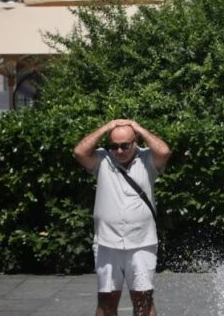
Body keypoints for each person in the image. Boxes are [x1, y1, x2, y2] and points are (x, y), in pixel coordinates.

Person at [74, 119, 171, 316]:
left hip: (142, 242)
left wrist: (138, 128)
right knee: (106, 302)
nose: (119, 151)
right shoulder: (102, 159)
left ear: (135, 141)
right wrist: (107, 127)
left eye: (125, 145)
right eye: (114, 146)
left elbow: (164, 152)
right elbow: (79, 152)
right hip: (107, 243)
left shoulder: (147, 159)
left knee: (143, 301)